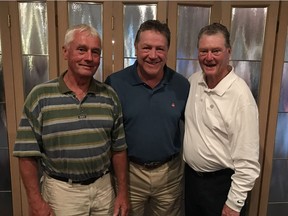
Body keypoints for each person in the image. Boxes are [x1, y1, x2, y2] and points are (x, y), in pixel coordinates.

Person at [13, 24, 129, 216]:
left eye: (95, 52)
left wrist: (122, 193)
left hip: (103, 190)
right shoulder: (40, 97)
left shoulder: (109, 96)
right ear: (66, 52)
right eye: (81, 50)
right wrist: (35, 200)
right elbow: (26, 154)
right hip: (62, 193)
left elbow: (119, 149)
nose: (89, 58)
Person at [105, 20, 190, 216]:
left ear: (167, 50)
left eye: (160, 48)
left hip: (169, 174)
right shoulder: (115, 83)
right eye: (146, 48)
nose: (153, 55)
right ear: (135, 48)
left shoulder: (182, 85)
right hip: (130, 173)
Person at [183, 22, 261, 216]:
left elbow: (248, 162)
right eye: (204, 51)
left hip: (221, 187)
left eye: (216, 51)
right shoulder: (193, 82)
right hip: (191, 182)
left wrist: (234, 205)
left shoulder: (241, 97)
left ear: (228, 52)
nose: (209, 58)